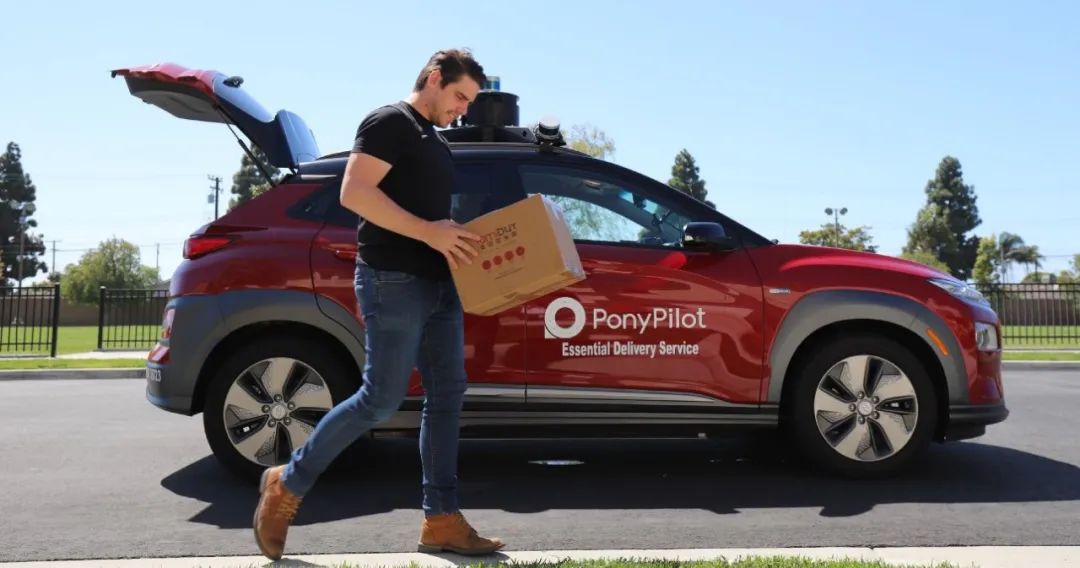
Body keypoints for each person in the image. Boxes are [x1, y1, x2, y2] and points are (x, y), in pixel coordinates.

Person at [253, 48, 505, 561]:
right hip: (393, 279)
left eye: (469, 102)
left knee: (447, 394)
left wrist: (459, 239)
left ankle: (441, 519)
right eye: (459, 96)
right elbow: (355, 192)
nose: (463, 109)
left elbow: (426, 213)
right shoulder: (389, 121)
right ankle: (286, 483)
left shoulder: (433, 138)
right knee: (381, 399)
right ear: (434, 78)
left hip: (439, 283)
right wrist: (429, 232)